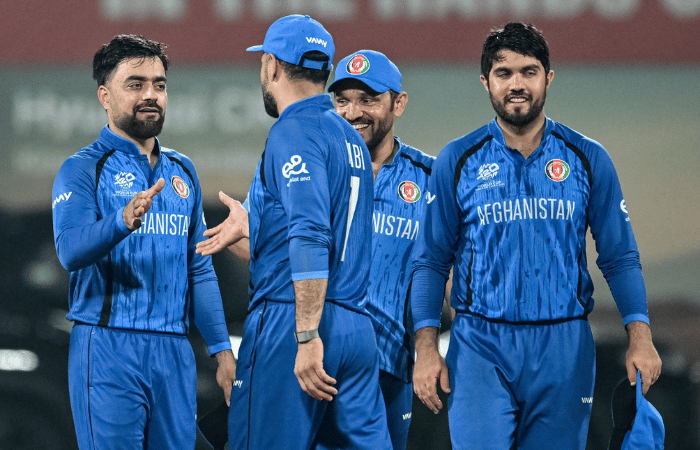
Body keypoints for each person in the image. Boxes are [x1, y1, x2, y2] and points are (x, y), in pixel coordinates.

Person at [410, 22, 662, 450]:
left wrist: (641, 338)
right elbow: (431, 261)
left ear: (548, 77)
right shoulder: (458, 159)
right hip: (479, 348)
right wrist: (427, 348)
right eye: (504, 73)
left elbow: (619, 256)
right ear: (485, 81)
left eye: (529, 72)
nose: (517, 84)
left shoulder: (587, 158)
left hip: (563, 348)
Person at [51, 34, 236, 449]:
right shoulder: (82, 169)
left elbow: (199, 268)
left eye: (159, 84)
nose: (150, 94)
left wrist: (223, 353)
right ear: (104, 95)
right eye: (135, 84)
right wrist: (121, 221)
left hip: (174, 351)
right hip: (107, 347)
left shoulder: (182, 171)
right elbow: (70, 251)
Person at [225, 15, 391, 449]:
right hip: (356, 327)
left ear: (271, 65)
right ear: (326, 71)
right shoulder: (350, 138)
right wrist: (254, 231)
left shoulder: (293, 131)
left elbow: (311, 233)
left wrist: (307, 334)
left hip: (294, 323)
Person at [328, 50, 435, 450]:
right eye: (342, 100)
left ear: (398, 103)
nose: (353, 112)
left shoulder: (432, 179)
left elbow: (452, 276)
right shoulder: (312, 169)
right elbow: (255, 246)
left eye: (368, 99)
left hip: (388, 367)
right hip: (315, 361)